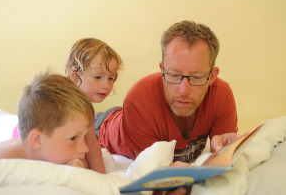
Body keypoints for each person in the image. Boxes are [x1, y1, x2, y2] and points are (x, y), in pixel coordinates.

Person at [98, 20, 239, 164]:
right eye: (174, 75)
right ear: (162, 69)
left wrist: (222, 148)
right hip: (101, 127)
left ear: (212, 77)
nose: (183, 91)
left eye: (196, 77)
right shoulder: (138, 101)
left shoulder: (221, 95)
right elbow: (157, 174)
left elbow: (224, 157)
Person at [12, 38, 123, 173]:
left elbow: (92, 145)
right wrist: (102, 178)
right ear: (75, 75)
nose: (106, 85)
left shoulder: (76, 100)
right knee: (81, 163)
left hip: (34, 138)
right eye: (98, 77)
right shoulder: (73, 105)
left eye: (111, 78)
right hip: (31, 137)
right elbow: (93, 147)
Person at [0, 72, 94, 168]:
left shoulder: (53, 151)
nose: (85, 148)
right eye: (73, 138)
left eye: (83, 137)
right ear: (38, 139)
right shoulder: (2, 165)